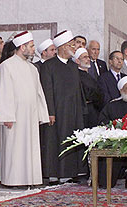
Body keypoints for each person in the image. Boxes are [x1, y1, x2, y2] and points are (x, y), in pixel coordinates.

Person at [0, 31, 49, 186]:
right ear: (22, 47)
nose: (33, 49)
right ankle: (13, 180)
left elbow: (38, 93)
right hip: (15, 116)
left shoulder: (32, 68)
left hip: (30, 116)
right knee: (15, 148)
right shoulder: (6, 66)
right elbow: (4, 92)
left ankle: (29, 179)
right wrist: (6, 116)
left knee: (30, 148)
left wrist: (41, 114)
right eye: (31, 46)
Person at [40, 30, 87, 183]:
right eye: (71, 45)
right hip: (57, 112)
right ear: (62, 47)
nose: (74, 48)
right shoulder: (48, 66)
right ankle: (54, 175)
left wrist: (81, 111)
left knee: (70, 141)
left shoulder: (73, 66)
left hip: (73, 112)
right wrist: (50, 112)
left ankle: (69, 173)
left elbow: (78, 91)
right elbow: (47, 90)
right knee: (55, 141)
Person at [73, 48, 103, 128]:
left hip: (93, 110)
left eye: (88, 57)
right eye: (85, 57)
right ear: (77, 61)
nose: (88, 59)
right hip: (84, 111)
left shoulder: (89, 75)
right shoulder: (76, 75)